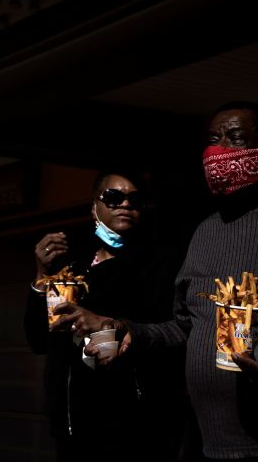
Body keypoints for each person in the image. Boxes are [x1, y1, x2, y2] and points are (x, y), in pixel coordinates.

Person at [65, 102, 258, 460]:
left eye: (235, 138)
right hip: (209, 445)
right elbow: (186, 325)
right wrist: (134, 332)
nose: (218, 151)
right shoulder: (205, 232)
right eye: (213, 139)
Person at [23, 169, 185, 461]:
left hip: (133, 424)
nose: (124, 204)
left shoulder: (161, 262)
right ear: (94, 206)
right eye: (113, 197)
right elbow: (38, 339)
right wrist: (42, 276)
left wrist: (102, 325)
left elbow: (170, 332)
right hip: (71, 423)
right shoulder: (74, 265)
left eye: (134, 199)